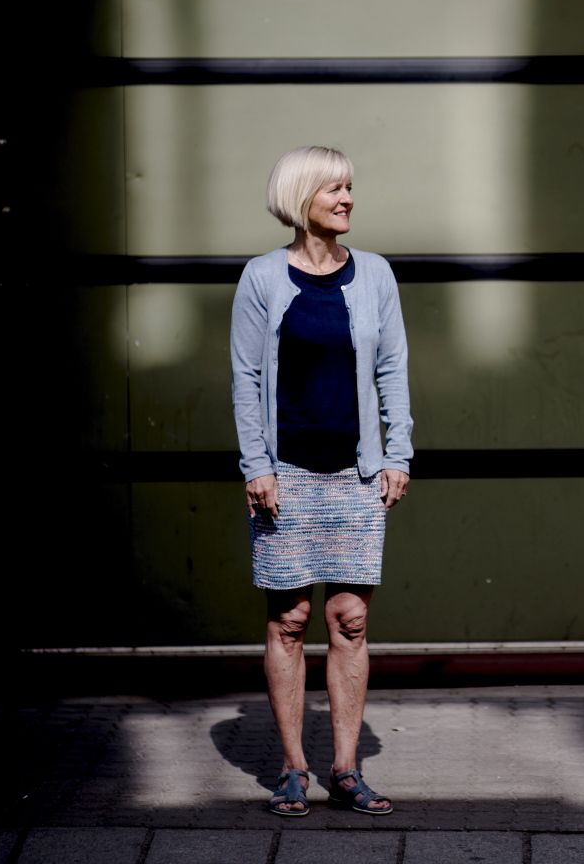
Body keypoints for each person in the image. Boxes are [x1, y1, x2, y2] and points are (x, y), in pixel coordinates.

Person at [230, 145, 412, 816]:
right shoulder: (262, 277)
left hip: (355, 475)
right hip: (286, 476)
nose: (347, 199)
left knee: (350, 620)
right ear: (300, 196)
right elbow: (246, 377)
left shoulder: (376, 274)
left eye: (349, 187)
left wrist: (398, 453)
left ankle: (344, 769)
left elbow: (392, 366)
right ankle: (292, 768)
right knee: (290, 621)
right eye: (334, 188)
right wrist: (257, 466)